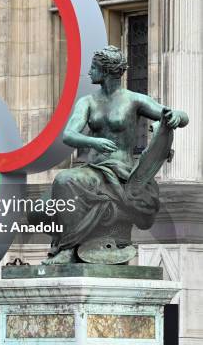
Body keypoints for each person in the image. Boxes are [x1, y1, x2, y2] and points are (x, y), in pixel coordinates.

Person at [32, 45, 188, 265]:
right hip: (94, 169)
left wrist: (176, 117)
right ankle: (72, 245)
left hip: (121, 171)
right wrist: (92, 141)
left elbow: (178, 115)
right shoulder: (87, 102)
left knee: (64, 179)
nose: (89, 72)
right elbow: (68, 134)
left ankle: (67, 249)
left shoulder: (134, 100)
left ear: (105, 71)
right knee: (39, 207)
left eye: (93, 67)